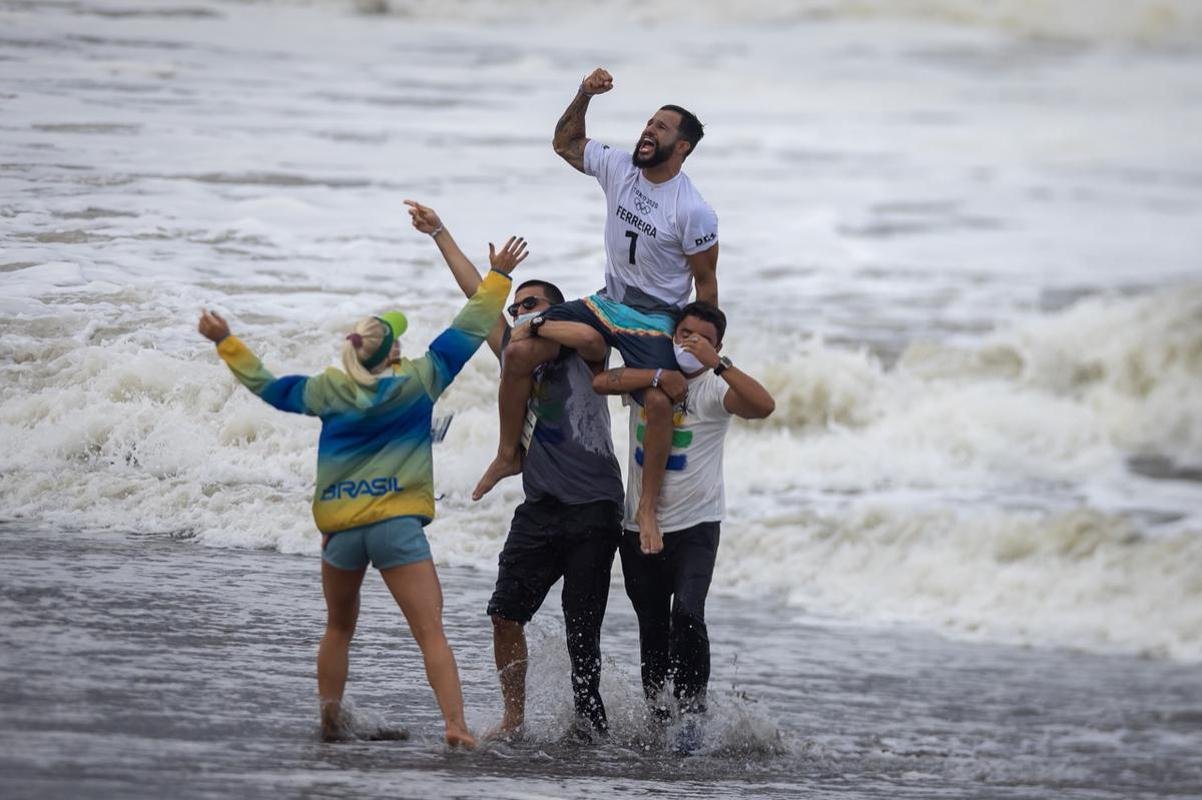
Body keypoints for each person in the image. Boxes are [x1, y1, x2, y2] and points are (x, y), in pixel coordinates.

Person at [196, 236, 527, 748]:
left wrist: (225, 341)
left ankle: (330, 715)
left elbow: (266, 385)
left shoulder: (328, 388)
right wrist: (498, 276)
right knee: (429, 632)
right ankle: (457, 727)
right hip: (397, 530)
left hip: (343, 532)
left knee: (338, 628)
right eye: (397, 338)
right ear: (393, 350)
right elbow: (469, 327)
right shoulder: (419, 380)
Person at [472, 67, 720, 555]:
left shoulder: (693, 210)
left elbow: (707, 282)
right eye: (648, 123)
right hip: (607, 302)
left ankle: (645, 507)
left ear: (683, 147)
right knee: (519, 350)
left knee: (657, 399)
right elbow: (565, 143)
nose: (648, 131)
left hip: (655, 319)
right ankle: (508, 455)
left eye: (662, 128)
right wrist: (585, 93)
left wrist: (703, 341)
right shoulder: (619, 166)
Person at [405, 199, 625, 738]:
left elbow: (595, 337)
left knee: (582, 629)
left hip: (595, 506)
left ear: (554, 313)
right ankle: (515, 717)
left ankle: (589, 723)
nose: (521, 312)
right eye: (519, 306)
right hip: (542, 507)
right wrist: (440, 234)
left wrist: (545, 319)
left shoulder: (582, 351)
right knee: (505, 613)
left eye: (533, 305)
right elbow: (477, 300)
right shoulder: (513, 353)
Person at [592, 301, 774, 725]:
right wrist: (653, 373)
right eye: (684, 332)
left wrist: (720, 364)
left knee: (689, 614)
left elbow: (764, 406)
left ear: (718, 346)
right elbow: (603, 380)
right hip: (638, 524)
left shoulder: (713, 388)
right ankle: (659, 713)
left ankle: (693, 713)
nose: (690, 342)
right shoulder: (652, 376)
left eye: (702, 338)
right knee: (652, 626)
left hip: (696, 524)